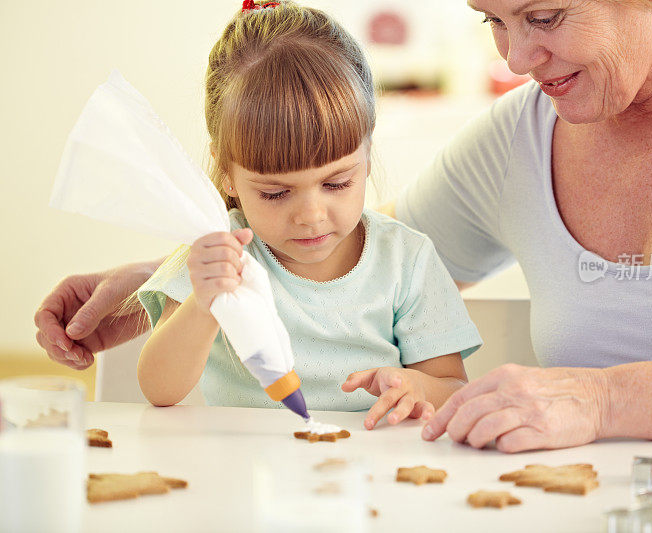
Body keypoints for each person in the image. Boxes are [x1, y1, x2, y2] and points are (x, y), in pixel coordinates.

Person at [36, 0, 652, 452]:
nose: (519, 56)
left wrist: (600, 399)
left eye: (543, 15)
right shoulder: (521, 136)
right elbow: (337, 244)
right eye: (491, 19)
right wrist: (166, 278)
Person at [66, 1, 483, 429]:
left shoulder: (406, 259)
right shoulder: (218, 252)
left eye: (337, 183)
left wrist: (417, 388)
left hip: (367, 479)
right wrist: (204, 305)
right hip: (247, 476)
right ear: (227, 174)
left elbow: (452, 387)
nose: (311, 215)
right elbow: (159, 389)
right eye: (276, 193)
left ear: (368, 151)